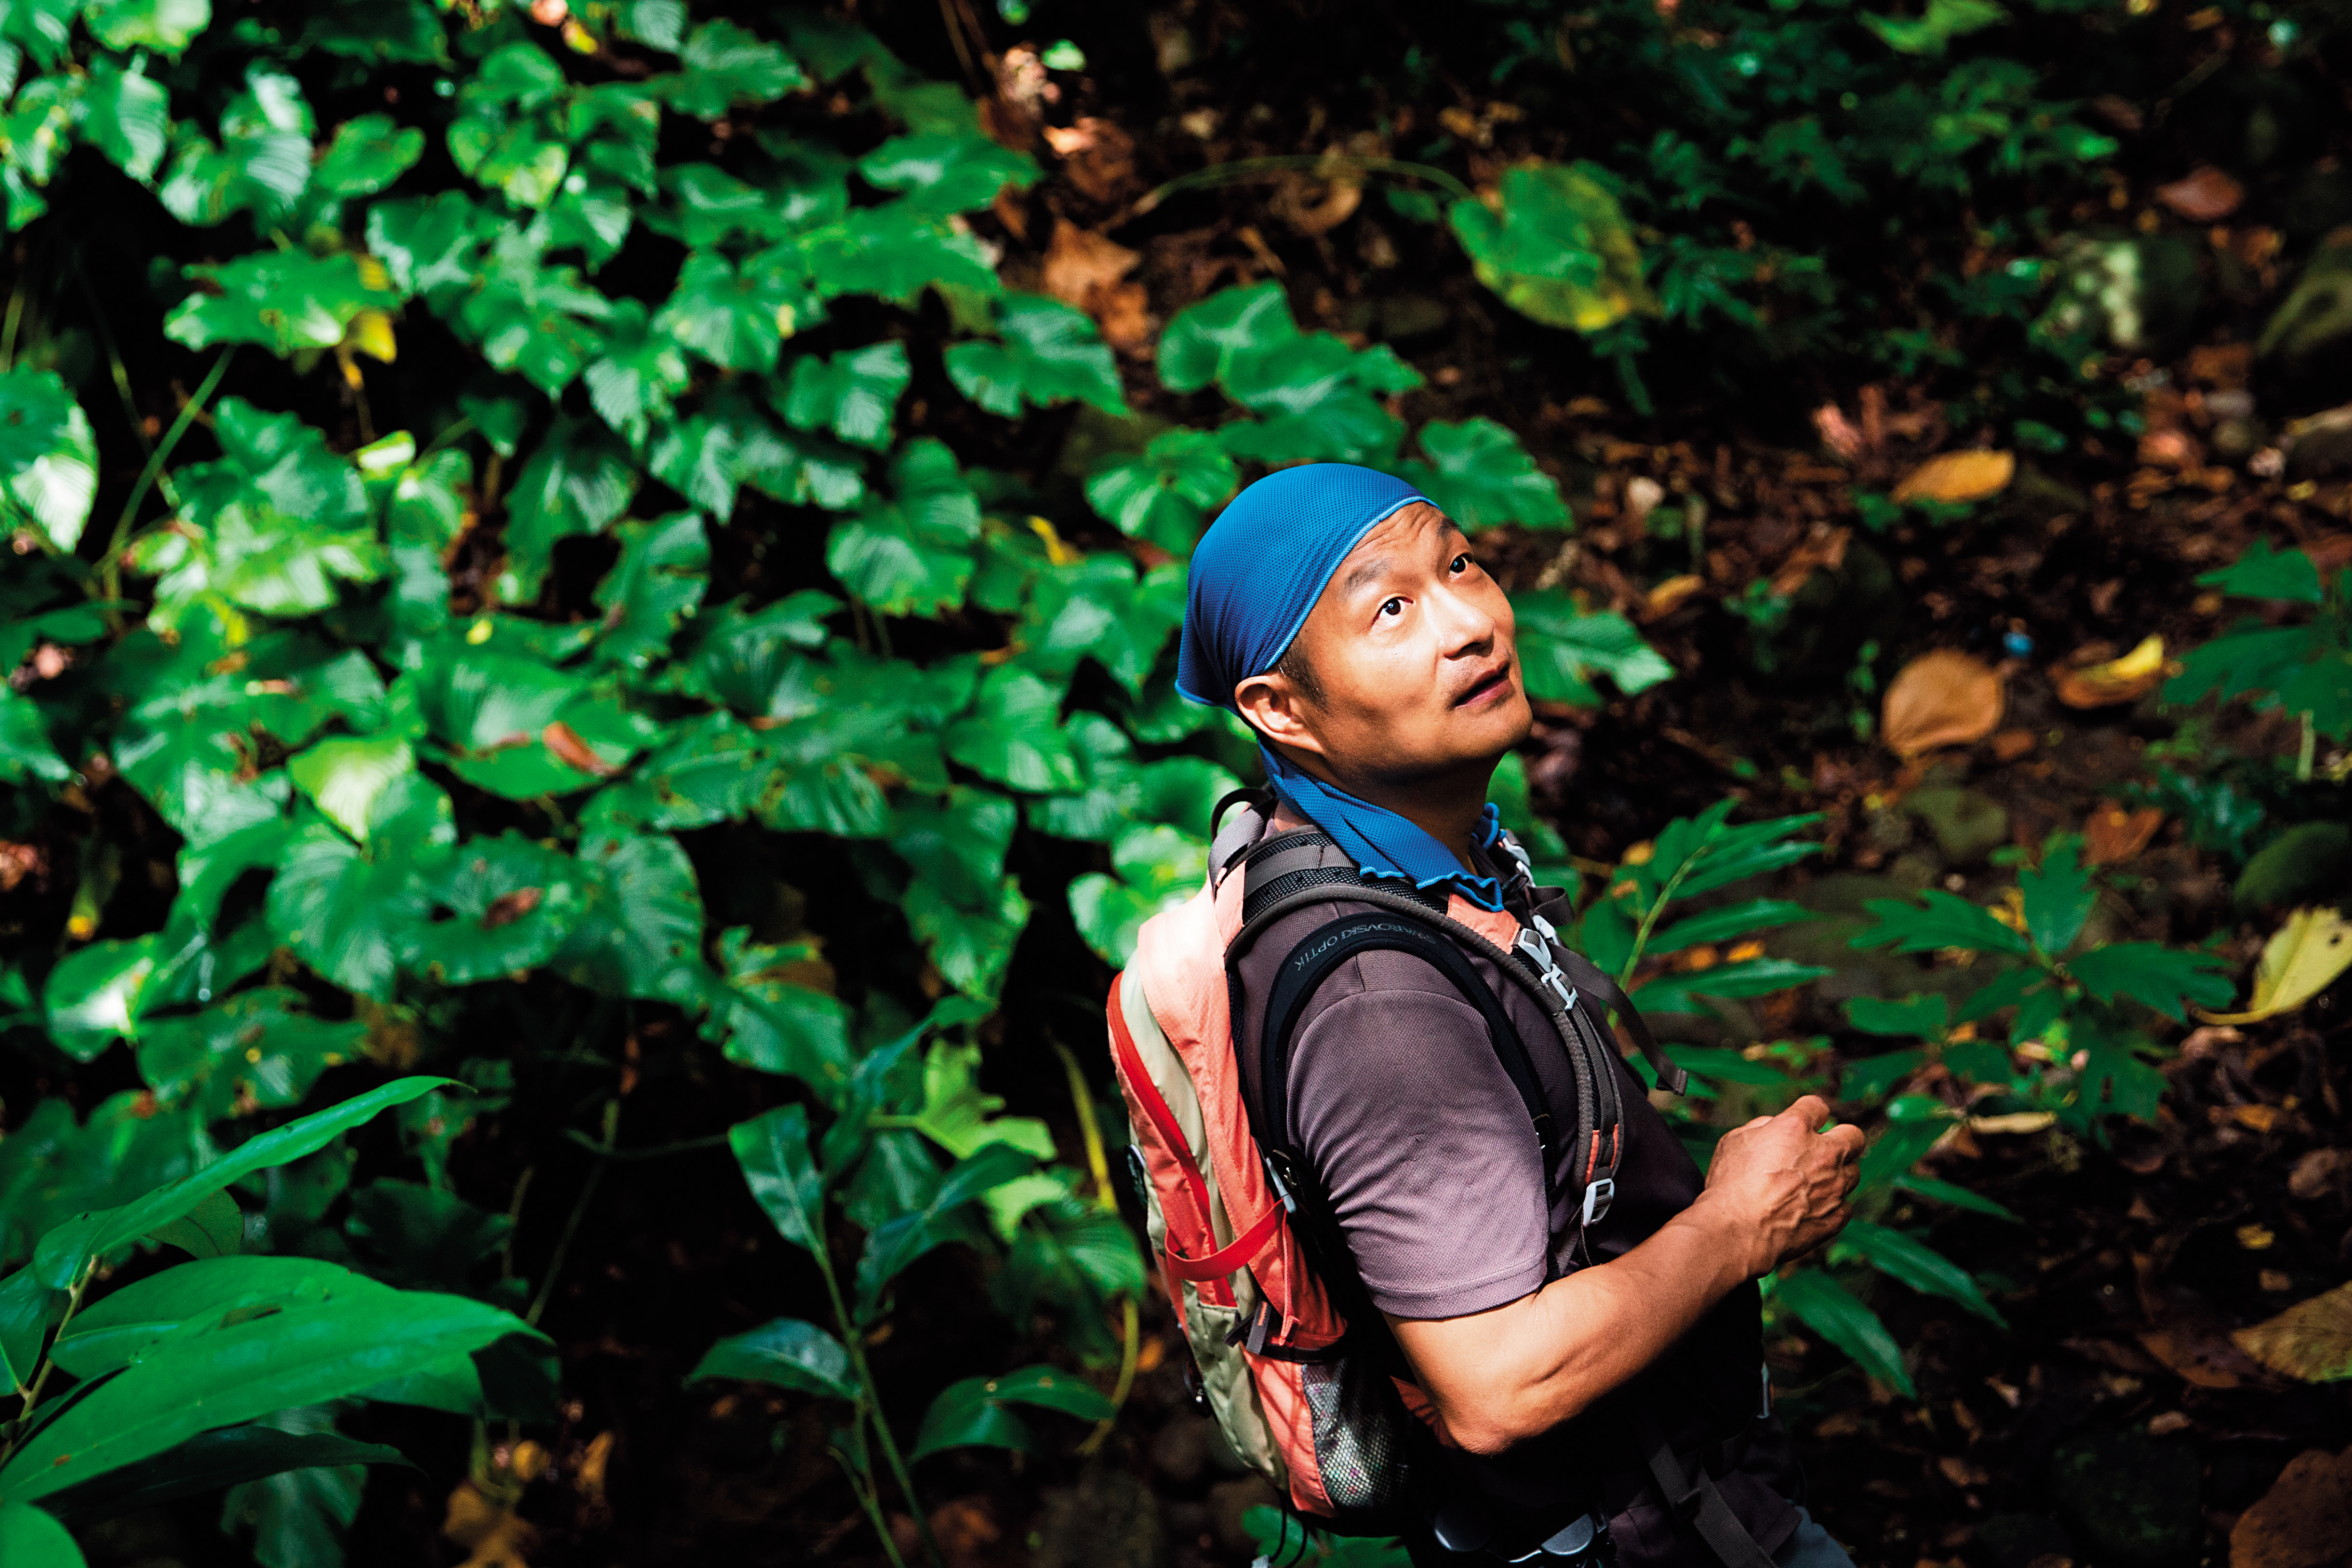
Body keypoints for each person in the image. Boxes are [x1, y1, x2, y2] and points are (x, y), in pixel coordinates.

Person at [1171, 463, 1865, 1567]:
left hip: (1674, 1500)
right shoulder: (1379, 1012)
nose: (1468, 624)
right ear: (1280, 709)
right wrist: (1743, 1224)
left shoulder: (1402, 857)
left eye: (1458, 565)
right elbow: (1497, 1384)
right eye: (1389, 608)